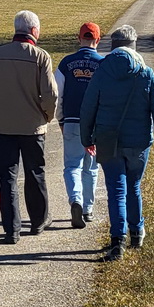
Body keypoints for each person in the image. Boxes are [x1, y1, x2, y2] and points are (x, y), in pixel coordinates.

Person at [80, 25, 154, 262]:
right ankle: (136, 232)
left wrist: (86, 138)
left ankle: (117, 241)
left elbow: (88, 107)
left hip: (108, 142)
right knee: (133, 186)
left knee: (116, 190)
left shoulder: (102, 72)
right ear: (134, 45)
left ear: (112, 46)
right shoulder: (145, 73)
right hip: (139, 143)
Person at [0, 9, 58, 244]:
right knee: (36, 174)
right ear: (34, 31)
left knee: (8, 177)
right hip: (33, 127)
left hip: (3, 127)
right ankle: (38, 220)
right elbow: (51, 95)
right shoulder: (41, 56)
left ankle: (11, 230)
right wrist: (47, 116)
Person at [55, 22, 104, 228]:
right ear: (98, 40)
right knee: (91, 168)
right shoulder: (103, 64)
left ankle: (75, 199)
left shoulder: (66, 63)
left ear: (78, 38)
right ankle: (88, 208)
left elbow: (57, 94)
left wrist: (60, 119)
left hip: (72, 121)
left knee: (72, 165)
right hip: (95, 124)